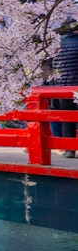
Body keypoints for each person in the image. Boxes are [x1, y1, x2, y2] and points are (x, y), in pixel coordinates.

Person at [52, 25, 78, 157]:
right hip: (76, 85)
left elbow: (53, 65)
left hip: (62, 87)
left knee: (67, 118)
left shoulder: (57, 43)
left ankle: (69, 149)